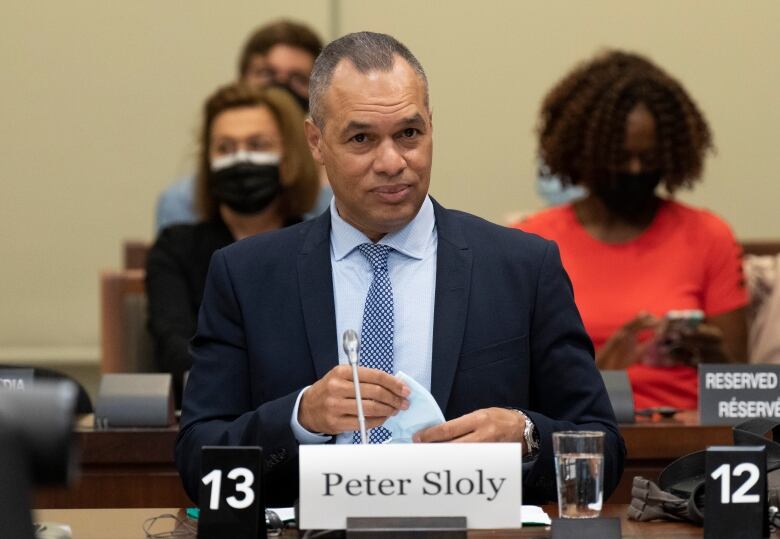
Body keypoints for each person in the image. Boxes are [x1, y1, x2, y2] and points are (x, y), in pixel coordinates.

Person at [176, 32, 624, 506]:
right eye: (362, 138)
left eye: (409, 134)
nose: (392, 162)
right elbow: (197, 461)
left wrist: (527, 435)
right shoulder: (246, 276)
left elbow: (604, 449)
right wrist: (299, 418)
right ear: (316, 141)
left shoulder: (522, 268)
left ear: (431, 126)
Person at [515, 51, 748, 411]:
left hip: (689, 446)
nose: (636, 170)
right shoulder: (533, 243)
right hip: (582, 438)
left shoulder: (707, 236)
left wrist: (714, 357)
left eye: (650, 159)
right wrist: (597, 375)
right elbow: (519, 392)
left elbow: (743, 401)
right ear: (584, 153)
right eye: (620, 158)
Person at [146, 83, 320, 406]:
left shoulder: (321, 245)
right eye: (224, 148)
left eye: (257, 144)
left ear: (288, 159)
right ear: (208, 165)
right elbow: (173, 350)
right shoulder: (176, 248)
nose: (241, 159)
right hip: (209, 425)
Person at [155, 19, 329, 231]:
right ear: (242, 80)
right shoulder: (183, 201)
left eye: (298, 79)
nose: (280, 88)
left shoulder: (337, 197)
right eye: (266, 74)